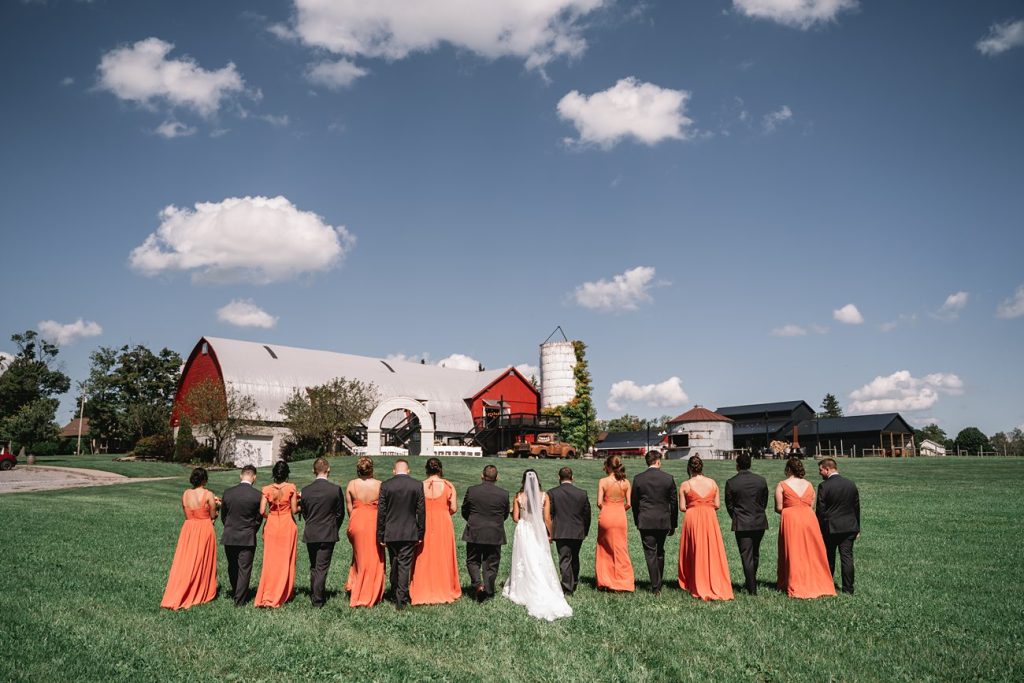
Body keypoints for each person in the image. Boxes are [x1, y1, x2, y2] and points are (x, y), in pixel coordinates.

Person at [502, 470, 573, 621]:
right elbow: (547, 518)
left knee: (524, 557)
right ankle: (543, 584)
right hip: (538, 529)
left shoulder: (519, 497)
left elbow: (515, 518)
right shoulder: (544, 496)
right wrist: (550, 533)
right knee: (539, 557)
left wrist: (520, 513)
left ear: (523, 481)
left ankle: (522, 587)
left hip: (524, 530)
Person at [775, 457, 836, 599]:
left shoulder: (782, 484)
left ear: (789, 469)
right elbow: (811, 505)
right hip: (809, 518)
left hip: (791, 518)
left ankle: (794, 581)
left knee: (793, 550)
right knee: (812, 551)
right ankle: (818, 581)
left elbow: (779, 507)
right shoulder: (809, 485)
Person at [677, 455, 734, 601]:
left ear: (689, 468)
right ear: (702, 467)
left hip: (693, 517)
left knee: (694, 549)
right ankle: (713, 579)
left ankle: (696, 580)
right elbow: (717, 505)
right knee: (712, 548)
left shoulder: (685, 485)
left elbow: (682, 507)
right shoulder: (713, 483)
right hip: (709, 517)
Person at [161, 467, 218, 610]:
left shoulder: (185, 494)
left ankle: (181, 585)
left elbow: (186, 512)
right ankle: (199, 589)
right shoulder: (208, 494)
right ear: (204, 479)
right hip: (204, 528)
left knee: (186, 560)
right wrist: (218, 506)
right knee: (201, 560)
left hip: (188, 529)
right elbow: (213, 515)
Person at [409, 458, 461, 605]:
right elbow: (454, 508)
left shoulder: (420, 485)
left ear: (427, 469)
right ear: (440, 469)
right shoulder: (448, 485)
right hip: (443, 522)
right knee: (443, 554)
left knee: (422, 555)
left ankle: (422, 587)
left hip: (423, 522)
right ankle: (444, 586)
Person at [376, 459, 425, 610]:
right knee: (404, 565)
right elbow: (421, 512)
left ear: (394, 471)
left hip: (391, 531)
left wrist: (380, 534)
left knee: (395, 562)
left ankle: (395, 591)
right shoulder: (417, 485)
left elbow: (381, 512)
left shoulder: (386, 485)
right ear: (408, 470)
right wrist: (421, 532)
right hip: (409, 531)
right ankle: (401, 599)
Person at [630, 451, 677, 594]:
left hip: (646, 520)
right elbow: (674, 503)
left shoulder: (638, 479)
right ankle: (658, 582)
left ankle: (655, 585)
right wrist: (673, 523)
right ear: (657, 461)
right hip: (663, 520)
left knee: (650, 552)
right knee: (660, 551)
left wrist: (637, 519)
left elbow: (634, 502)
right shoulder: (668, 478)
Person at [300, 457, 345, 607]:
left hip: (311, 531)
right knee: (321, 567)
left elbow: (304, 513)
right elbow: (340, 513)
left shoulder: (305, 491)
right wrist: (334, 527)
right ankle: (317, 600)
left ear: (313, 471)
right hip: (328, 532)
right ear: (328, 469)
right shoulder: (335, 489)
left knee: (314, 565)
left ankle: (315, 593)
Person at [461, 464, 510, 601]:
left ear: (482, 476)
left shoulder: (472, 490)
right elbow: (505, 514)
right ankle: (488, 589)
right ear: (497, 478)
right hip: (495, 532)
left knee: (473, 560)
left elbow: (465, 510)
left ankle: (478, 585)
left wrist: (472, 521)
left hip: (475, 530)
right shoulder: (504, 494)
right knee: (492, 562)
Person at [254, 461, 299, 608]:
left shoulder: (266, 489)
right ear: (286, 473)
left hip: (272, 523)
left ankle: (268, 592)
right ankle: (284, 591)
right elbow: (294, 510)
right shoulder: (291, 487)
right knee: (286, 559)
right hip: (287, 523)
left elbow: (261, 511)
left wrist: (270, 516)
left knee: (270, 560)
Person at [725, 452, 769, 595]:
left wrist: (736, 516)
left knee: (746, 555)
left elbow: (729, 505)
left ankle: (751, 588)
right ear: (750, 464)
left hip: (742, 522)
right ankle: (751, 581)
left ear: (737, 465)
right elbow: (764, 502)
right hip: (758, 521)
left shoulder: (731, 482)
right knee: (755, 554)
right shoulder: (761, 481)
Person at [816, 458, 860, 594]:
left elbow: (820, 511)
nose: (820, 473)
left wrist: (820, 529)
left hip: (831, 528)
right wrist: (858, 527)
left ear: (827, 469)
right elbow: (856, 507)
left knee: (829, 557)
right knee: (847, 558)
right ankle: (848, 589)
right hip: (849, 526)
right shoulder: (851, 484)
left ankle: (828, 585)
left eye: (821, 470)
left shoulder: (824, 486)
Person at [220, 464, 262, 606]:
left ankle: (235, 591)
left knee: (232, 566)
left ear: (241, 475)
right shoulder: (257, 495)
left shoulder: (228, 493)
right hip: (247, 536)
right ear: (254, 477)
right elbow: (259, 518)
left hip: (230, 535)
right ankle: (240, 599)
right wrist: (252, 529)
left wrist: (230, 527)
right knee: (245, 569)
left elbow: (224, 516)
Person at [345, 456, 385, 607]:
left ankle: (357, 585)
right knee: (375, 558)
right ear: (371, 469)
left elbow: (350, 509)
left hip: (357, 521)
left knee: (359, 557)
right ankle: (370, 592)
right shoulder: (380, 485)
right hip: (374, 522)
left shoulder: (351, 484)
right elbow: (383, 508)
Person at [546, 466, 591, 595]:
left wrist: (549, 532)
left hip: (560, 531)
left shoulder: (552, 493)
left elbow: (550, 513)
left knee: (564, 559)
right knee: (575, 557)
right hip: (577, 530)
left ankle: (567, 587)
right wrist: (585, 531)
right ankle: (574, 582)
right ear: (572, 477)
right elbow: (587, 514)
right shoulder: (582, 493)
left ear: (559, 478)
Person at [596, 455, 635, 592]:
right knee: (621, 548)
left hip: (607, 515)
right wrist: (619, 509)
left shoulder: (603, 481)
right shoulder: (626, 483)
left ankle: (606, 580)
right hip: (620, 516)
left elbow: (599, 503)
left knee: (604, 548)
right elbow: (629, 504)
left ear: (607, 466)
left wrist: (608, 509)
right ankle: (624, 582)